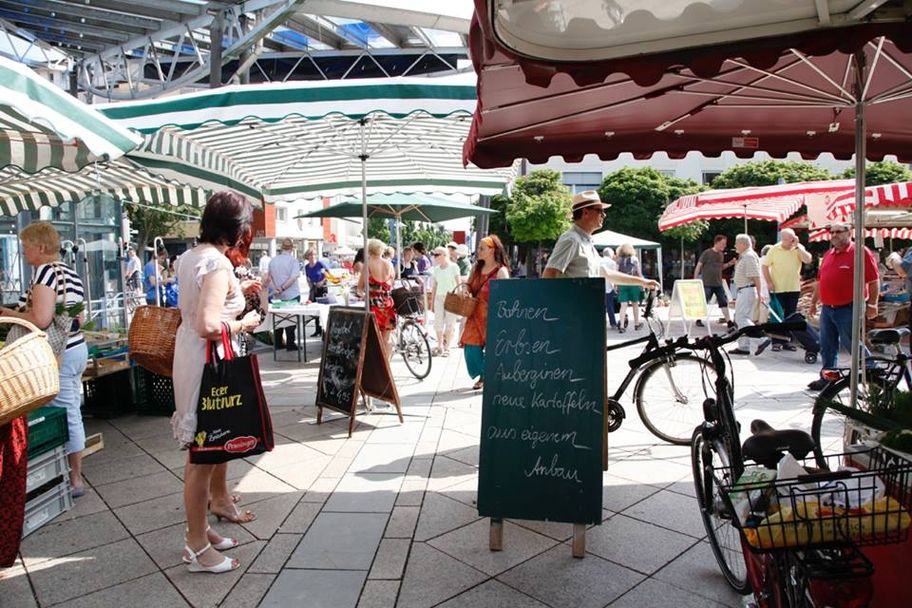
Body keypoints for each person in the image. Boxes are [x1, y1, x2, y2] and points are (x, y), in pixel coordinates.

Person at [172, 191, 263, 574]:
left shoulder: (192, 257)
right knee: (202, 457)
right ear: (237, 228)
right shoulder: (217, 264)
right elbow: (208, 324)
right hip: (209, 363)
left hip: (193, 357)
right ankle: (195, 546)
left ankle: (201, 529)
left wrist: (238, 294)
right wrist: (244, 322)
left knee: (202, 454)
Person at [1, 222, 88, 498]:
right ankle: (72, 474)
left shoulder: (45, 273)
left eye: (26, 247)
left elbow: (40, 319)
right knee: (71, 411)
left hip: (55, 356)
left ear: (40, 247)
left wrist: (7, 314)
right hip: (76, 350)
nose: (24, 253)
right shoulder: (70, 273)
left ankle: (73, 479)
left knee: (62, 415)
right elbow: (78, 317)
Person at [807, 222, 879, 391]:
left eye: (839, 231)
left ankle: (874, 375)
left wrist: (873, 304)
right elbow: (820, 281)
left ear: (850, 232)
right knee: (827, 345)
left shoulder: (860, 252)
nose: (834, 235)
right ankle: (828, 378)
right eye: (832, 232)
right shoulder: (828, 254)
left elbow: (874, 281)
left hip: (849, 306)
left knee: (852, 343)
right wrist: (813, 302)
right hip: (828, 308)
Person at [542, 191, 660, 292]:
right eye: (599, 210)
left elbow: (607, 273)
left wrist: (643, 282)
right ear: (585, 212)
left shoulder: (586, 243)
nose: (604, 214)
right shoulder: (571, 240)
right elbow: (550, 275)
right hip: (571, 312)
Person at [459, 235, 510, 390]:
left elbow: (506, 297)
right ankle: (488, 375)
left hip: (493, 317)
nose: (478, 251)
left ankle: (485, 377)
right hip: (474, 314)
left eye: (482, 248)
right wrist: (465, 291)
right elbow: (467, 285)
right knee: (470, 348)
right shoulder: (476, 268)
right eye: (479, 247)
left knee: (492, 351)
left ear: (492, 250)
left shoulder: (501, 271)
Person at [762, 228, 812, 351]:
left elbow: (808, 260)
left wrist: (798, 247)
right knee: (777, 316)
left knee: (790, 316)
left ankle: (788, 341)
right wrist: (769, 281)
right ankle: (776, 341)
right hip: (777, 288)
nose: (786, 242)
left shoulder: (798, 248)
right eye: (784, 239)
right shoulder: (774, 249)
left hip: (793, 288)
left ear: (794, 238)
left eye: (788, 239)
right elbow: (765, 266)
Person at [728, 234, 771, 356]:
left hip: (747, 290)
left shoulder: (748, 256)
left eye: (737, 243)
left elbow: (755, 276)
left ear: (743, 244)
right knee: (742, 317)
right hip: (745, 290)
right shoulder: (746, 256)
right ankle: (744, 346)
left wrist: (759, 292)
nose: (735, 245)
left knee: (741, 318)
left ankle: (760, 339)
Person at [361, 239, 397, 353]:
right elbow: (392, 282)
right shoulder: (389, 264)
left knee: (374, 339)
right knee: (387, 338)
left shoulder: (368, 265)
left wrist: (362, 294)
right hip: (388, 303)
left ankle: (379, 367)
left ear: (369, 250)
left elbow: (359, 288)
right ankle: (386, 365)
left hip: (374, 305)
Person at [694, 235, 736, 328]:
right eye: (722, 244)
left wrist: (730, 264)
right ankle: (698, 319)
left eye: (725, 244)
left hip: (718, 283)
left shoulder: (721, 255)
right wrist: (696, 279)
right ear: (716, 243)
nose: (724, 246)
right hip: (707, 283)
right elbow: (699, 265)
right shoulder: (707, 253)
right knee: (704, 302)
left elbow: (720, 267)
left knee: (723, 302)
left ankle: (729, 321)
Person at [268, 238, 301, 350]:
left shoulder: (273, 260)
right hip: (291, 293)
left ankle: (278, 343)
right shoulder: (293, 261)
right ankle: (290, 343)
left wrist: (276, 289)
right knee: (291, 320)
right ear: (291, 248)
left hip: (277, 295)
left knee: (278, 319)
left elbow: (269, 277)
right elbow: (293, 278)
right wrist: (282, 288)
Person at [429, 245, 461, 356]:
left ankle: (447, 347)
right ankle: (440, 345)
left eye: (437, 254)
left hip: (451, 297)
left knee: (450, 324)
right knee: (438, 323)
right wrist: (431, 303)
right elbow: (434, 287)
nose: (435, 257)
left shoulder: (454, 267)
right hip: (439, 298)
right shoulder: (436, 269)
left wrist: (459, 298)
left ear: (445, 255)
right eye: (434, 255)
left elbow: (459, 284)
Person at [616, 243, 643, 332]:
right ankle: (636, 324)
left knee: (623, 306)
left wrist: (615, 284)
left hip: (622, 283)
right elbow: (639, 273)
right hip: (633, 283)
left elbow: (616, 272)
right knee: (635, 304)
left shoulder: (619, 260)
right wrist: (643, 282)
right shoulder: (634, 259)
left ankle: (622, 326)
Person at [303, 249, 327, 336]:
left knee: (323, 309)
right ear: (307, 257)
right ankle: (317, 329)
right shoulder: (307, 267)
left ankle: (324, 330)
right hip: (313, 288)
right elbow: (308, 277)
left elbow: (327, 274)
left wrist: (322, 281)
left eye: (314, 254)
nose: (313, 257)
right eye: (311, 255)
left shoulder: (320, 264)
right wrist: (309, 284)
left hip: (322, 288)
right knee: (314, 308)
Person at [600, 247, 618, 329]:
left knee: (600, 306)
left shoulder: (598, 261)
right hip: (609, 286)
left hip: (599, 287)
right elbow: (614, 275)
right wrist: (615, 286)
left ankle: (601, 323)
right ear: (611, 254)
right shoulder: (612, 263)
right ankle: (613, 323)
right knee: (610, 306)